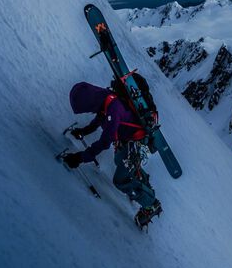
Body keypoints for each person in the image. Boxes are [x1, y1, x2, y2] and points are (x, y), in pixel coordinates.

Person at [63, 81, 163, 226]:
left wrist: (80, 158)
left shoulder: (113, 108)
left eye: (85, 109)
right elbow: (99, 119)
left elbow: (105, 141)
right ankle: (143, 183)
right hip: (127, 140)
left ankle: (151, 205)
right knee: (120, 161)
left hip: (135, 141)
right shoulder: (105, 98)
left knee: (121, 180)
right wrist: (85, 131)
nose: (87, 111)